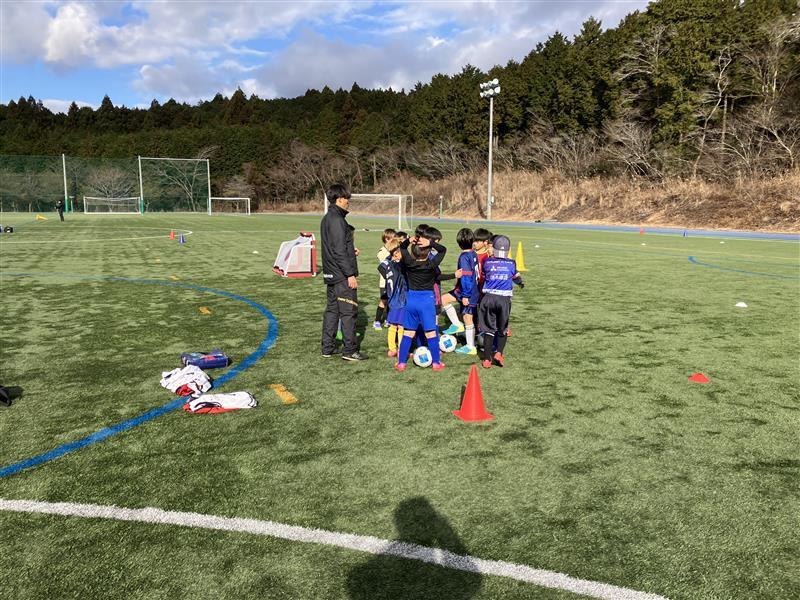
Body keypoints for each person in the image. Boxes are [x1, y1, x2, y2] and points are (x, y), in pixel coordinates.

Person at [320, 184, 368, 361]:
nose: (348, 202)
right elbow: (338, 250)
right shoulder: (337, 220)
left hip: (331, 274)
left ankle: (327, 348)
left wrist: (350, 251)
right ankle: (349, 350)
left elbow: (334, 247)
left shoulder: (327, 218)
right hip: (341, 276)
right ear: (339, 199)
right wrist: (350, 274)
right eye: (347, 199)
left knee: (332, 312)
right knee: (348, 313)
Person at [395, 229, 447, 371]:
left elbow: (402, 247)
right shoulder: (431, 265)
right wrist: (430, 242)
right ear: (428, 252)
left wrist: (408, 240)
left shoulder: (409, 263)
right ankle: (436, 363)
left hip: (411, 300)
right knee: (431, 333)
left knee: (408, 333)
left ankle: (401, 363)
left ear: (413, 251)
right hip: (426, 301)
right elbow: (443, 250)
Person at [478, 235, 523, 368]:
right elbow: (516, 277)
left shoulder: (487, 262)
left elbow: (484, 275)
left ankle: (487, 360)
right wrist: (520, 283)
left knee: (488, 329)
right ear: (508, 250)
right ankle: (499, 353)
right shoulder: (512, 263)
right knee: (503, 329)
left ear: (494, 248)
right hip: (504, 299)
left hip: (488, 298)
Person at [441, 228, 479, 355]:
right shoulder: (473, 253)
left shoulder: (464, 256)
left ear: (459, 243)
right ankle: (457, 325)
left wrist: (466, 295)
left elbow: (467, 276)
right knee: (444, 299)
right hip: (470, 289)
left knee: (468, 318)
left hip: (467, 291)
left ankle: (470, 346)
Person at [377, 242, 406, 357]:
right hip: (401, 300)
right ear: (397, 253)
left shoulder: (387, 264)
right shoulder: (399, 266)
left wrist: (391, 255)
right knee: (401, 326)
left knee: (393, 325)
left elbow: (380, 267)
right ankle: (401, 349)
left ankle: (392, 349)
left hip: (392, 300)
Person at [374, 228, 397, 330]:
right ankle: (377, 321)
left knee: (391, 301)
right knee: (384, 301)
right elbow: (385, 265)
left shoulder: (394, 250)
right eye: (393, 238)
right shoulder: (382, 252)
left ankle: (388, 319)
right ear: (387, 239)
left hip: (393, 282)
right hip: (384, 282)